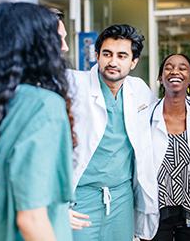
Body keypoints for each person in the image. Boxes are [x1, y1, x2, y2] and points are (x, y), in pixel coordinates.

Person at [0, 2, 75, 240]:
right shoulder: (42, 106)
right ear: (37, 46)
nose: (65, 47)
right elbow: (31, 219)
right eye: (56, 39)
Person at [67, 24, 158, 240]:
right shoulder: (74, 85)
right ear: (97, 56)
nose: (113, 62)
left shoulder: (140, 90)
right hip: (81, 195)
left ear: (133, 62)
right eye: (107, 54)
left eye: (122, 56)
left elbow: (164, 117)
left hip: (122, 196)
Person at [138, 54, 190, 240]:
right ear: (161, 78)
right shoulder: (145, 117)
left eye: (182, 68)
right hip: (157, 213)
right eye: (168, 67)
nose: (175, 71)